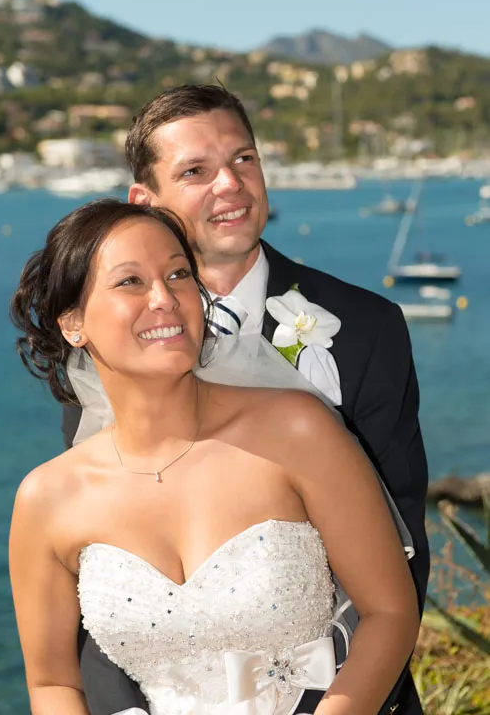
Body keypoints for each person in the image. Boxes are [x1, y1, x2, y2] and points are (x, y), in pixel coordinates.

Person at [62, 85, 429, 715]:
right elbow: (98, 568)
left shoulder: (368, 328)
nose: (230, 185)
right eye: (196, 171)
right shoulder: (106, 350)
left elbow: (403, 551)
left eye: (244, 159)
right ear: (144, 201)